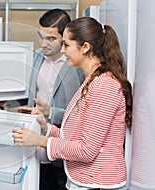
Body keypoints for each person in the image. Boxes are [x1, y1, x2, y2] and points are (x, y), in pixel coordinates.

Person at [12, 16, 133, 189]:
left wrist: (41, 140)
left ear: (85, 47)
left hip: (99, 182)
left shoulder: (104, 85)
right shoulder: (91, 80)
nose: (63, 51)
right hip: (86, 180)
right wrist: (47, 128)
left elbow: (86, 150)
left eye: (67, 45)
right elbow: (76, 134)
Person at [0, 9, 84, 190]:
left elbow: (81, 113)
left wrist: (52, 112)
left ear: (65, 37)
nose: (43, 44)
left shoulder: (78, 67)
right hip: (33, 143)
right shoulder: (35, 57)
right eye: (40, 36)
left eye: (50, 39)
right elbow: (30, 98)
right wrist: (8, 103)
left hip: (61, 147)